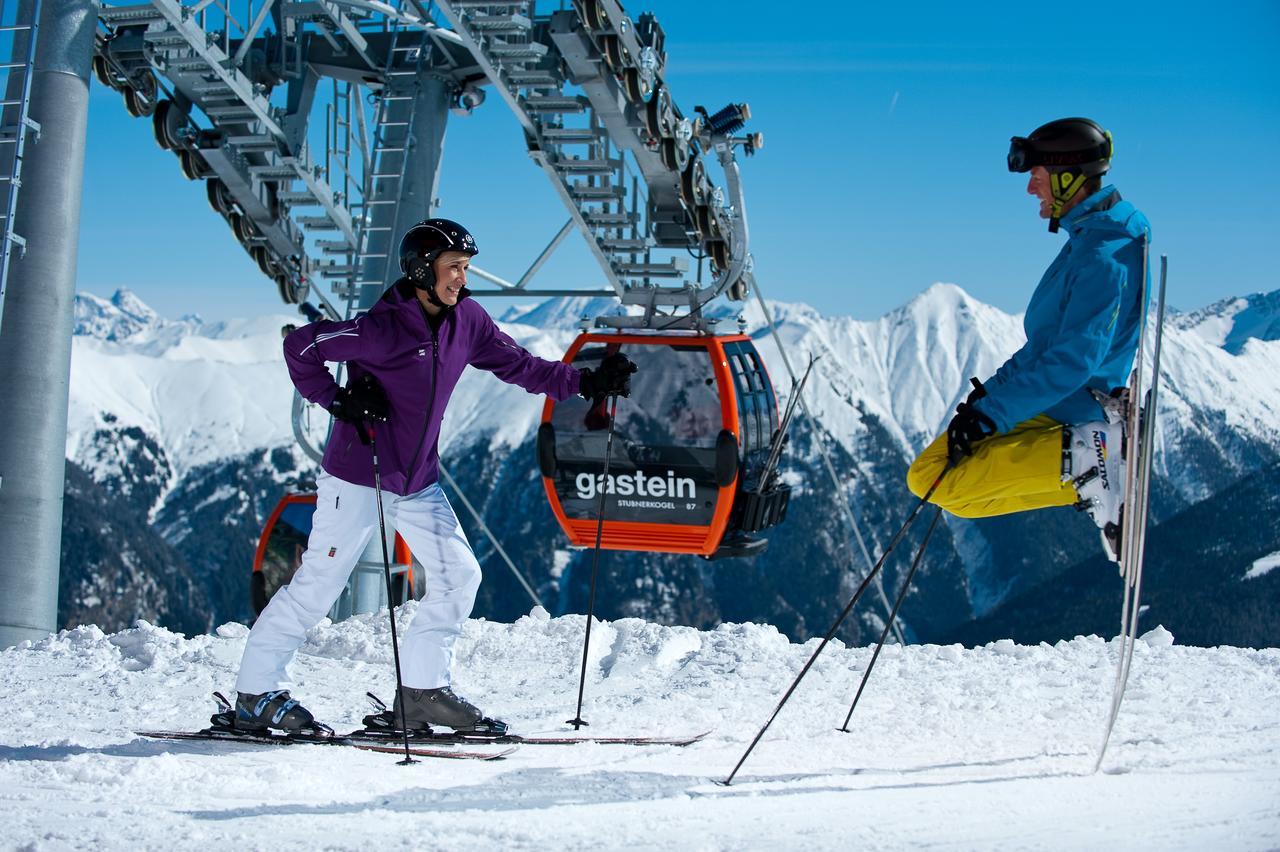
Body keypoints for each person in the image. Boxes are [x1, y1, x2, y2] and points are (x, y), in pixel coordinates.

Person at [234, 218, 636, 734]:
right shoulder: (379, 328)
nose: (461, 280)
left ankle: (421, 693)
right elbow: (302, 348)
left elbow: (520, 365)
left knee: (459, 574)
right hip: (359, 477)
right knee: (318, 586)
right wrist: (337, 399)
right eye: (453, 268)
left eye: (465, 269)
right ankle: (256, 692)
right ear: (423, 269)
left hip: (417, 480)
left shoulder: (466, 320)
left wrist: (585, 380)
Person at [907, 118, 1151, 562]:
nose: (1030, 190)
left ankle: (1089, 460)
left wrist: (993, 414)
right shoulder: (1090, 239)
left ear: (1065, 178)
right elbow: (1044, 347)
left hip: (1073, 403)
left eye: (1036, 178)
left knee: (939, 480)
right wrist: (987, 404)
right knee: (930, 479)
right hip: (1055, 399)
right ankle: (1088, 473)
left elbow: (1073, 360)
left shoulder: (1104, 255)